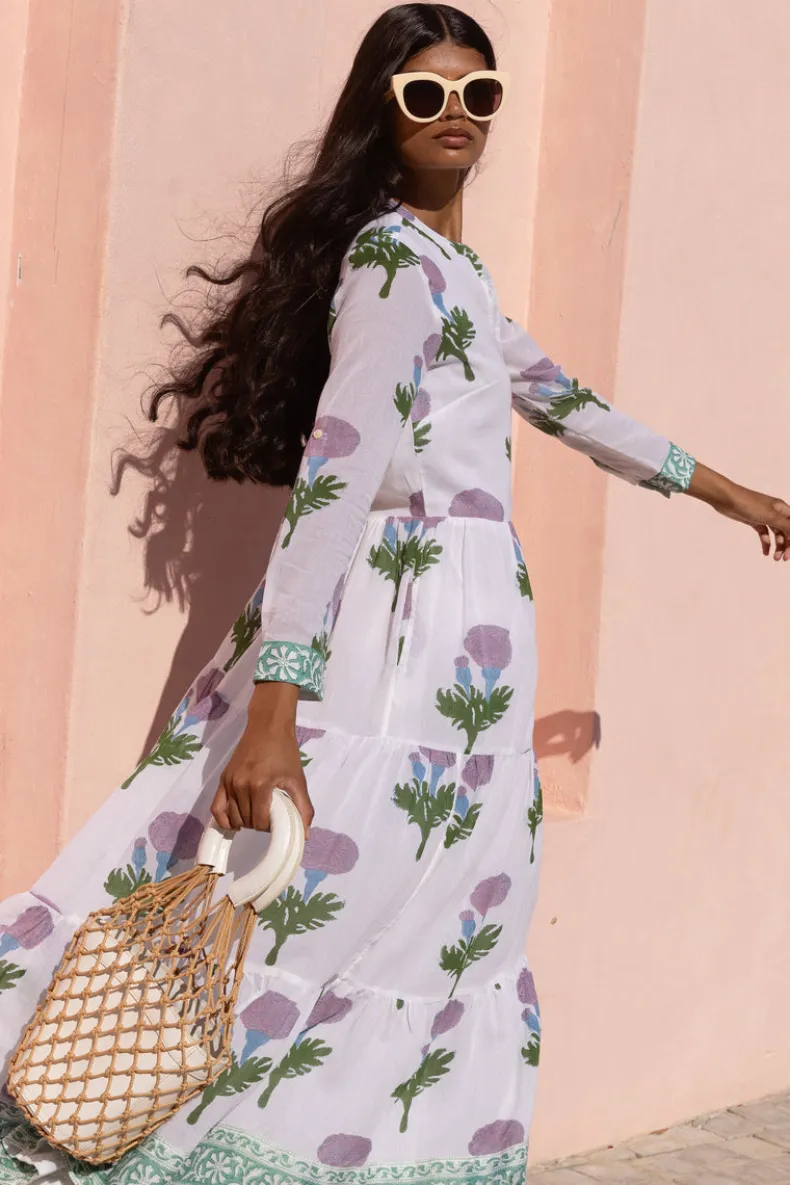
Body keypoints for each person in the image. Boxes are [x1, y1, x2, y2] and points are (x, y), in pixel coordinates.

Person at [0, 4, 787, 1183]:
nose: (455, 113)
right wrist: (275, 710)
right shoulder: (384, 263)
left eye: (479, 92)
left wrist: (737, 497)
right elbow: (338, 468)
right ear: (383, 111)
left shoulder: (452, 270)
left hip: (469, 637)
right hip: (399, 626)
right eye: (425, 93)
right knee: (331, 895)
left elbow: (569, 403)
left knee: (428, 912)